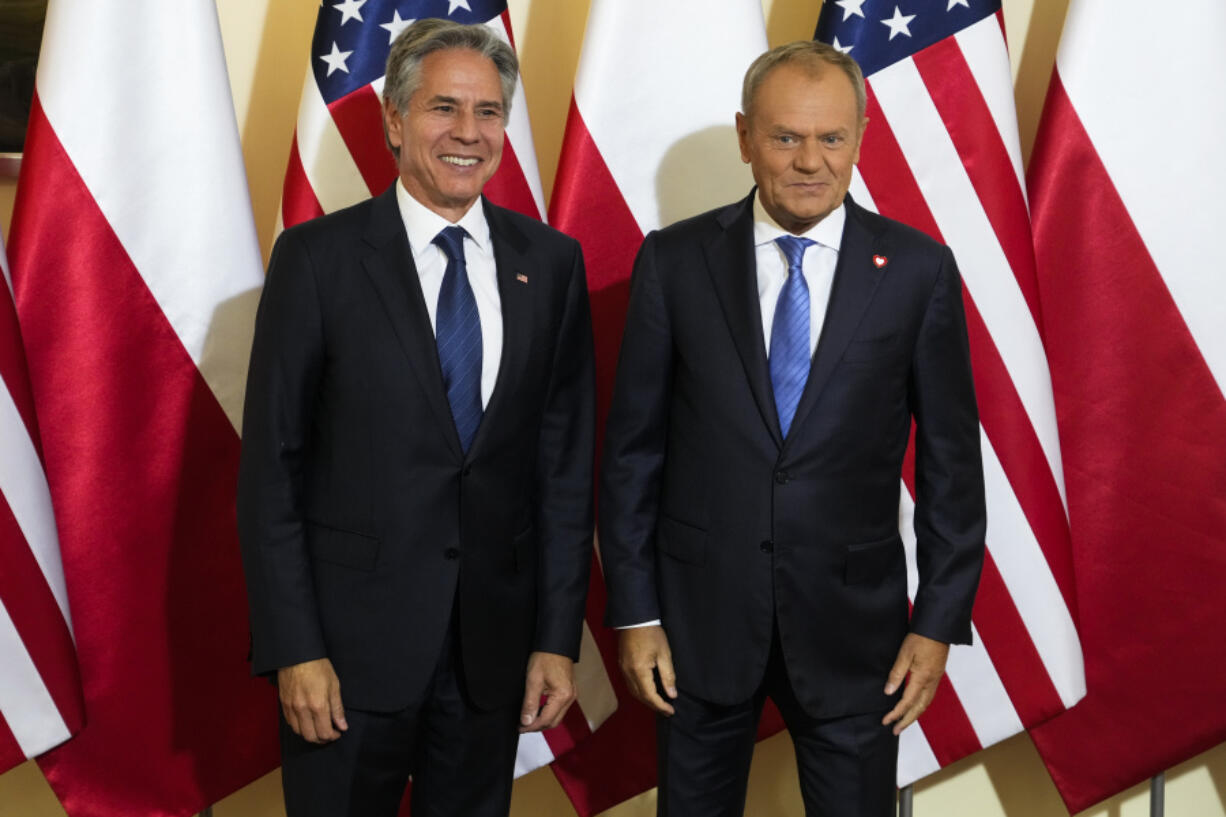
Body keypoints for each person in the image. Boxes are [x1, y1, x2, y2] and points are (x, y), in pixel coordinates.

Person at [599, 40, 986, 816]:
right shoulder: (673, 263)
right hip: (696, 631)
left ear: (859, 137)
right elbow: (632, 454)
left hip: (857, 642)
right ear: (746, 138)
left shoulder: (917, 270)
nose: (811, 161)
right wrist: (636, 612)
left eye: (831, 137)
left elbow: (952, 467)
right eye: (785, 137)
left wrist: (938, 623)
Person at [237, 19, 594, 817]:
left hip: (490, 658)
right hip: (345, 660)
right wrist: (296, 648)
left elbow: (564, 474)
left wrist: (554, 638)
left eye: (489, 112)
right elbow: (271, 475)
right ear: (395, 122)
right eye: (444, 109)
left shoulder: (551, 263)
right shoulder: (317, 261)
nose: (468, 133)